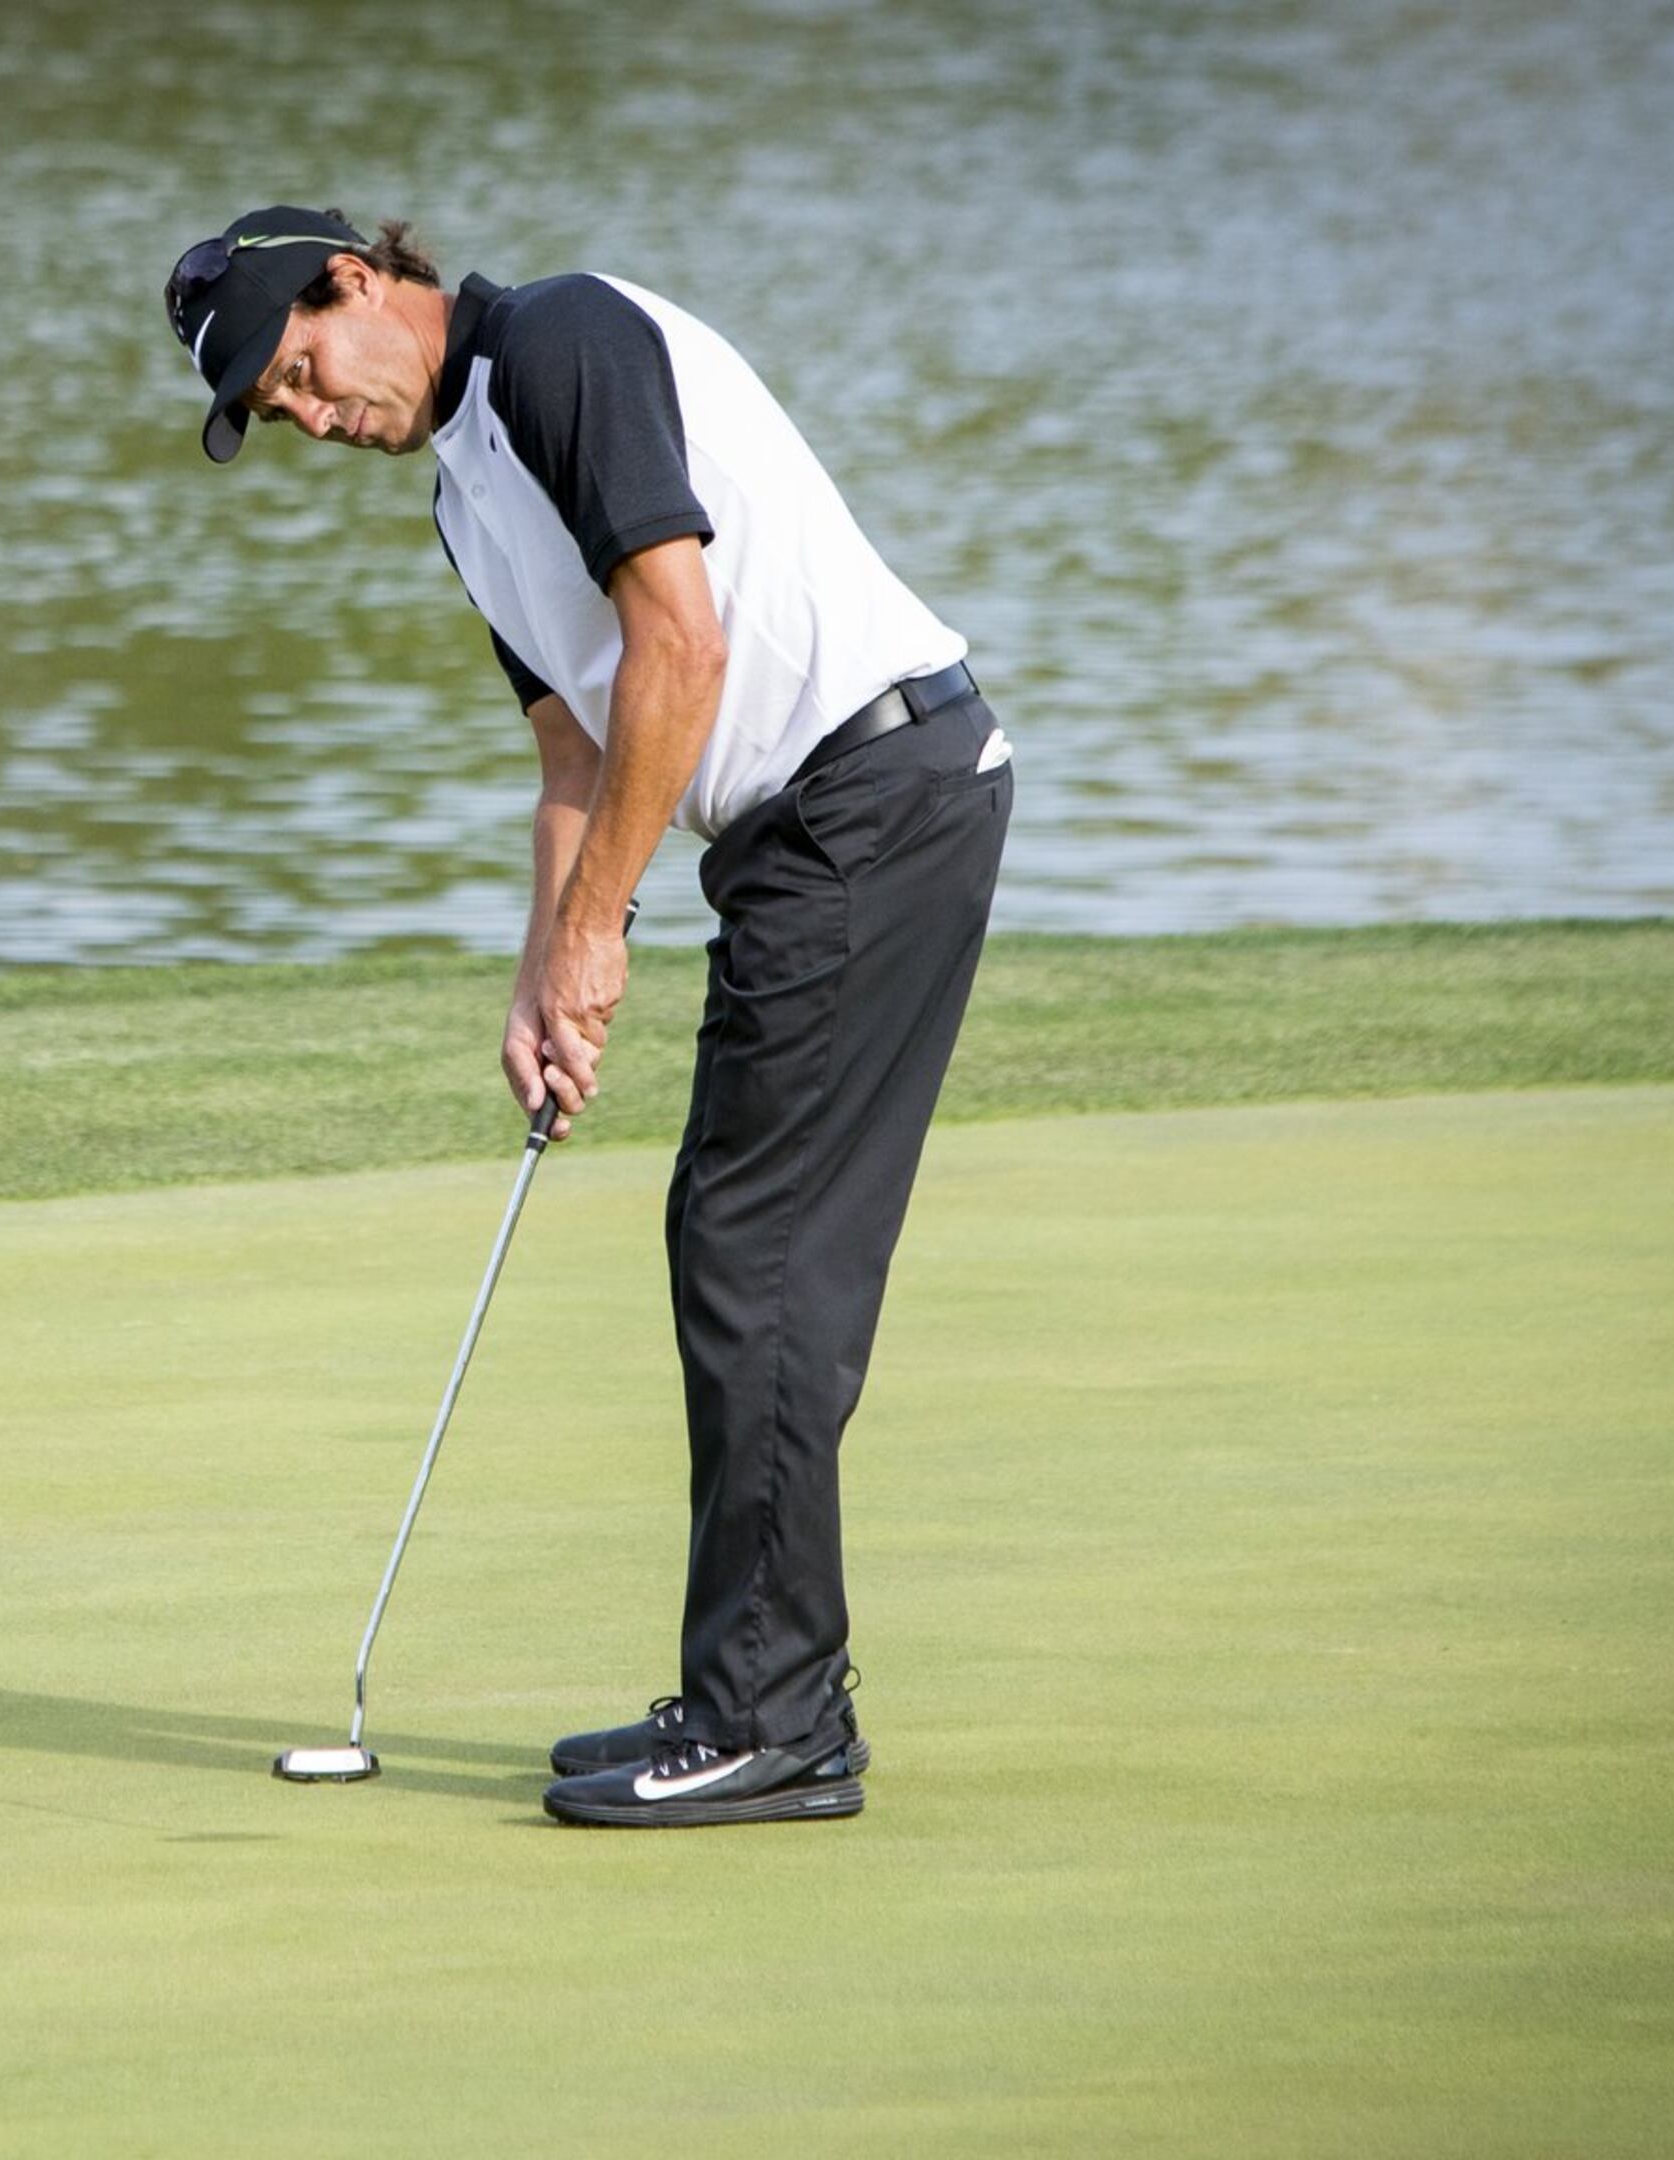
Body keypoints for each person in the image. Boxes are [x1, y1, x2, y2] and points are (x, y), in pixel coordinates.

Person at [163, 207, 1015, 1827]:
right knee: (741, 1240)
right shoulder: (463, 495)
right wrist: (545, 965)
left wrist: (602, 936)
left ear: (354, 283)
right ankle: (758, 1691)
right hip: (808, 828)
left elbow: (679, 645)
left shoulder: (558, 343)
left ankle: (769, 1715)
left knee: (753, 1247)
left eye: (298, 372)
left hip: (874, 792)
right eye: (279, 414)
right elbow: (577, 750)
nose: (312, 416)